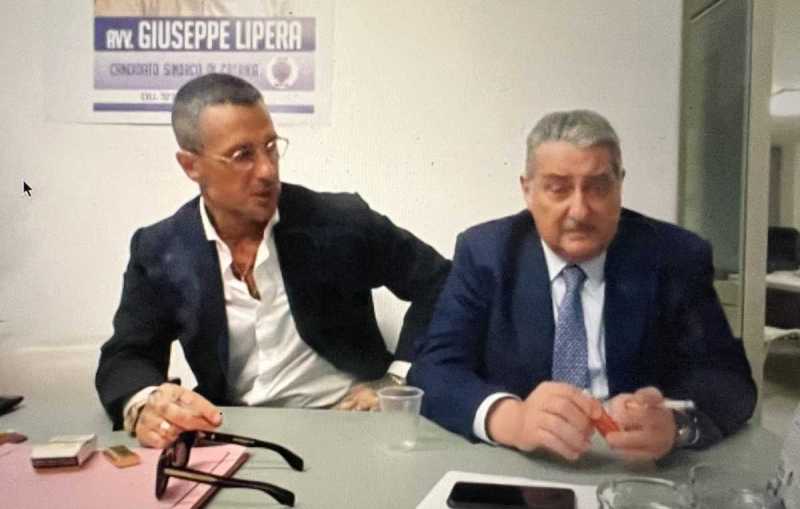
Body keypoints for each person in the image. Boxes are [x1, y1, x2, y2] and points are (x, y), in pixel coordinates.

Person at [95, 73, 450, 448]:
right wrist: (146, 402)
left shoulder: (339, 221)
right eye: (242, 155)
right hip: (234, 432)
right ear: (191, 165)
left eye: (271, 147)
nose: (267, 170)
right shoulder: (161, 248)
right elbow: (126, 355)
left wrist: (395, 380)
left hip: (352, 425)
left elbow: (441, 282)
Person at [408, 110, 756, 462]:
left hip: (636, 467)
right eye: (558, 189)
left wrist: (677, 424)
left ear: (619, 185)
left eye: (599, 188)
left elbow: (729, 380)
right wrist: (512, 419)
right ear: (528, 191)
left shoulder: (674, 256)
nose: (580, 210)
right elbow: (435, 369)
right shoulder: (486, 253)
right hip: (520, 461)